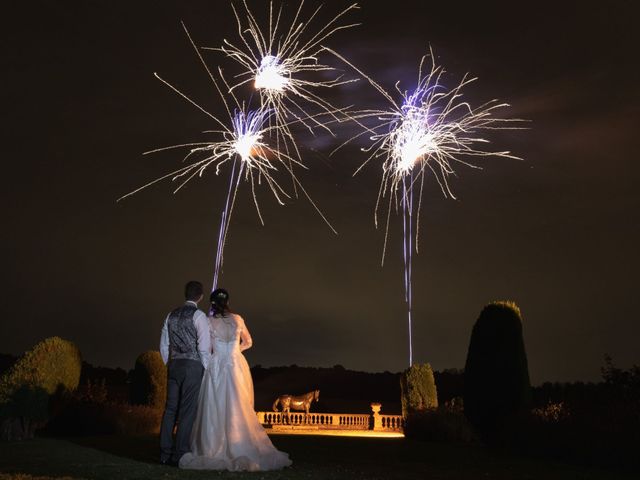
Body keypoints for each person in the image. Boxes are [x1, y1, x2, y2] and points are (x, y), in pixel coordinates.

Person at [180, 288, 292, 471]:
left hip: (216, 364)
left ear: (213, 303)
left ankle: (212, 445)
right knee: (238, 403)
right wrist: (234, 351)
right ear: (228, 301)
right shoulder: (238, 319)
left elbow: (205, 346)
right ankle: (242, 442)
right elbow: (248, 342)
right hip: (235, 364)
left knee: (214, 404)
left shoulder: (208, 321)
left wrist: (219, 353)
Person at [159, 280, 211, 466]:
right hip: (192, 366)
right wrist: (204, 368)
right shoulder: (199, 316)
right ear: (201, 296)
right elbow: (204, 347)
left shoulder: (170, 315)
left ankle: (164, 453)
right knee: (187, 411)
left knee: (170, 410)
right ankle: (180, 453)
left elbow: (164, 343)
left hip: (174, 365)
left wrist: (169, 362)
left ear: (185, 294)